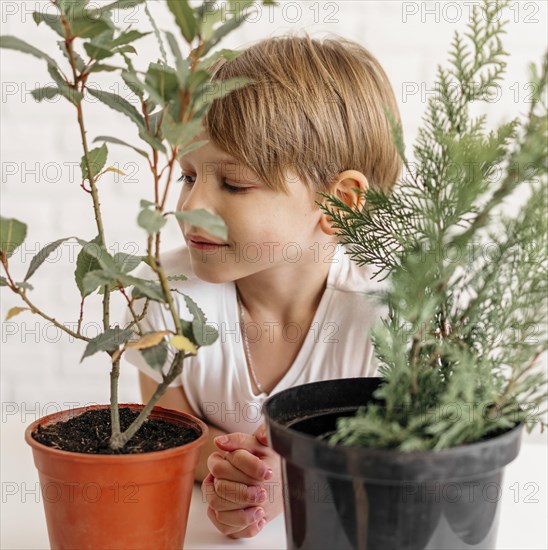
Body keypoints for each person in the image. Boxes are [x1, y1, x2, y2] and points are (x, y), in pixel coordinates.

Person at [123, 32, 402, 539]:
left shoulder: (386, 317)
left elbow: (404, 462)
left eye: (233, 183)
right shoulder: (163, 295)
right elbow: (173, 435)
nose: (189, 209)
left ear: (340, 203)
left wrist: (298, 481)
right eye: (188, 176)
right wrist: (240, 478)